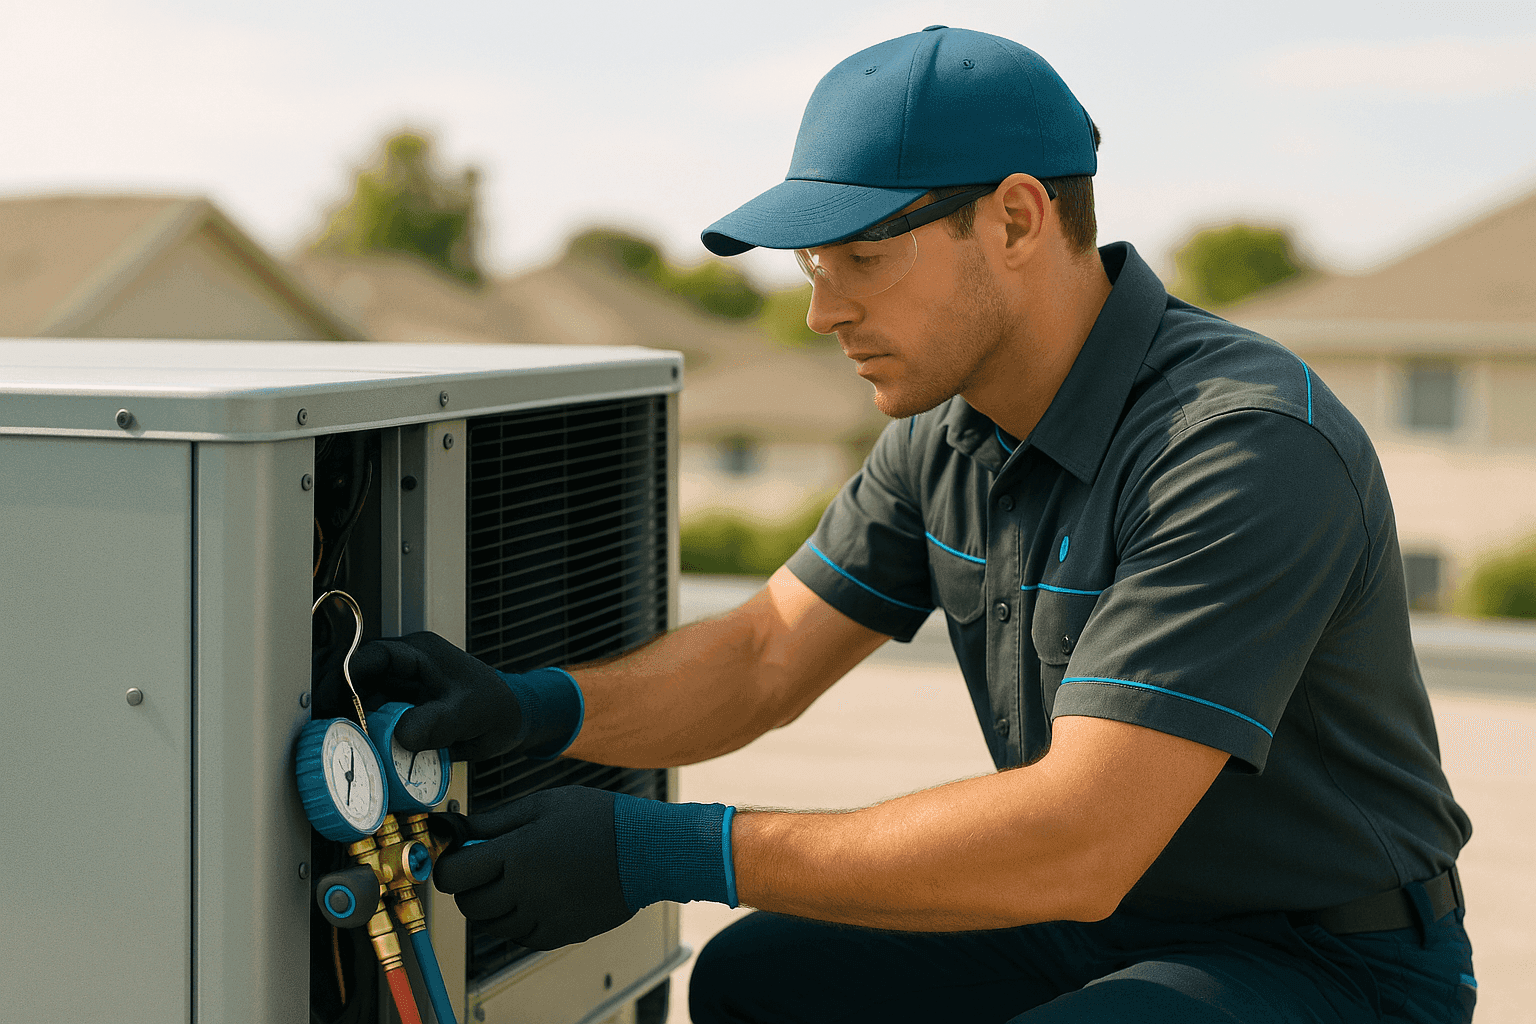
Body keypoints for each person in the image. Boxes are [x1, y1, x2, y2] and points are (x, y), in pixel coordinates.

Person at [354, 26, 1475, 1023]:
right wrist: (526, 708)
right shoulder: (950, 431)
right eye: (812, 264)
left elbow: (1079, 838)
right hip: (1108, 917)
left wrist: (669, 849)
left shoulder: (1238, 445)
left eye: (862, 260)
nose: (821, 309)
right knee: (761, 978)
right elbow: (762, 656)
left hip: (1335, 961)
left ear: (1019, 219)